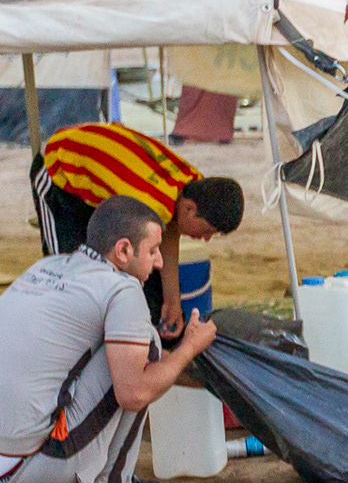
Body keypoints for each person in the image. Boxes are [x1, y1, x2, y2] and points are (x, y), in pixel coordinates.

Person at [0, 195, 218, 483]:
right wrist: (190, 346)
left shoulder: (46, 267)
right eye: (152, 251)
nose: (160, 262)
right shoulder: (121, 288)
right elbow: (134, 392)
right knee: (145, 343)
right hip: (30, 473)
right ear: (123, 251)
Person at [34, 122, 245, 339]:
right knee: (68, 270)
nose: (206, 239)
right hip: (60, 162)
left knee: (144, 277)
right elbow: (127, 265)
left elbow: (170, 228)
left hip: (103, 165)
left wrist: (172, 300)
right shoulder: (147, 207)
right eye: (207, 230)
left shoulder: (191, 183)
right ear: (190, 208)